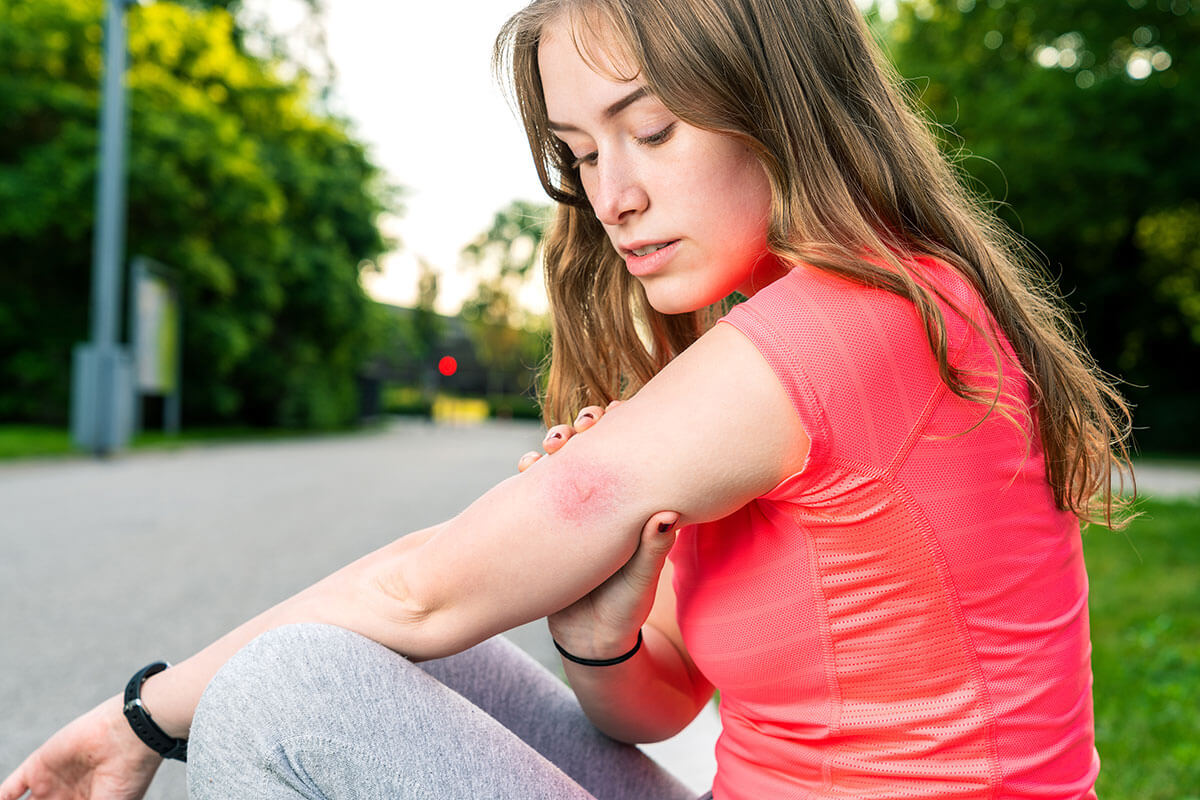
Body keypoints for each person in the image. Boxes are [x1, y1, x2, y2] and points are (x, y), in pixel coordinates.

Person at [0, 0, 1135, 798]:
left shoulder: (848, 328)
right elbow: (660, 705)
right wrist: (599, 642)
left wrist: (135, 717)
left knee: (284, 690)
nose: (616, 195)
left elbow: (417, 585)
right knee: (386, 658)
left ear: (779, 101)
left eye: (651, 129)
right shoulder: (822, 327)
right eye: (582, 154)